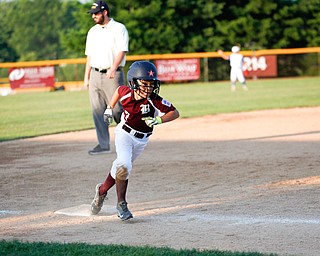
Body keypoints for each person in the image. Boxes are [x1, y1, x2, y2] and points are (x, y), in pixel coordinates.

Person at [90, 61, 180, 220]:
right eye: (144, 83)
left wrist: (159, 120)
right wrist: (109, 108)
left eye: (151, 84)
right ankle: (121, 204)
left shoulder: (153, 99)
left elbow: (174, 112)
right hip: (124, 134)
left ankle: (102, 191)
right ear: (133, 82)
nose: (149, 88)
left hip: (142, 140)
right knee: (124, 165)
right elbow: (118, 90)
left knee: (119, 167)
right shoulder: (127, 93)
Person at [84, 0, 129, 155]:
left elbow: (122, 50)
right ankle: (103, 145)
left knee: (117, 109)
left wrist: (114, 67)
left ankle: (128, 138)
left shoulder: (119, 28)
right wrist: (86, 77)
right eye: (92, 14)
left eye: (96, 13)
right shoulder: (92, 31)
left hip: (113, 75)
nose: (94, 16)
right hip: (95, 74)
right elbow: (89, 55)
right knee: (97, 110)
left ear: (105, 12)